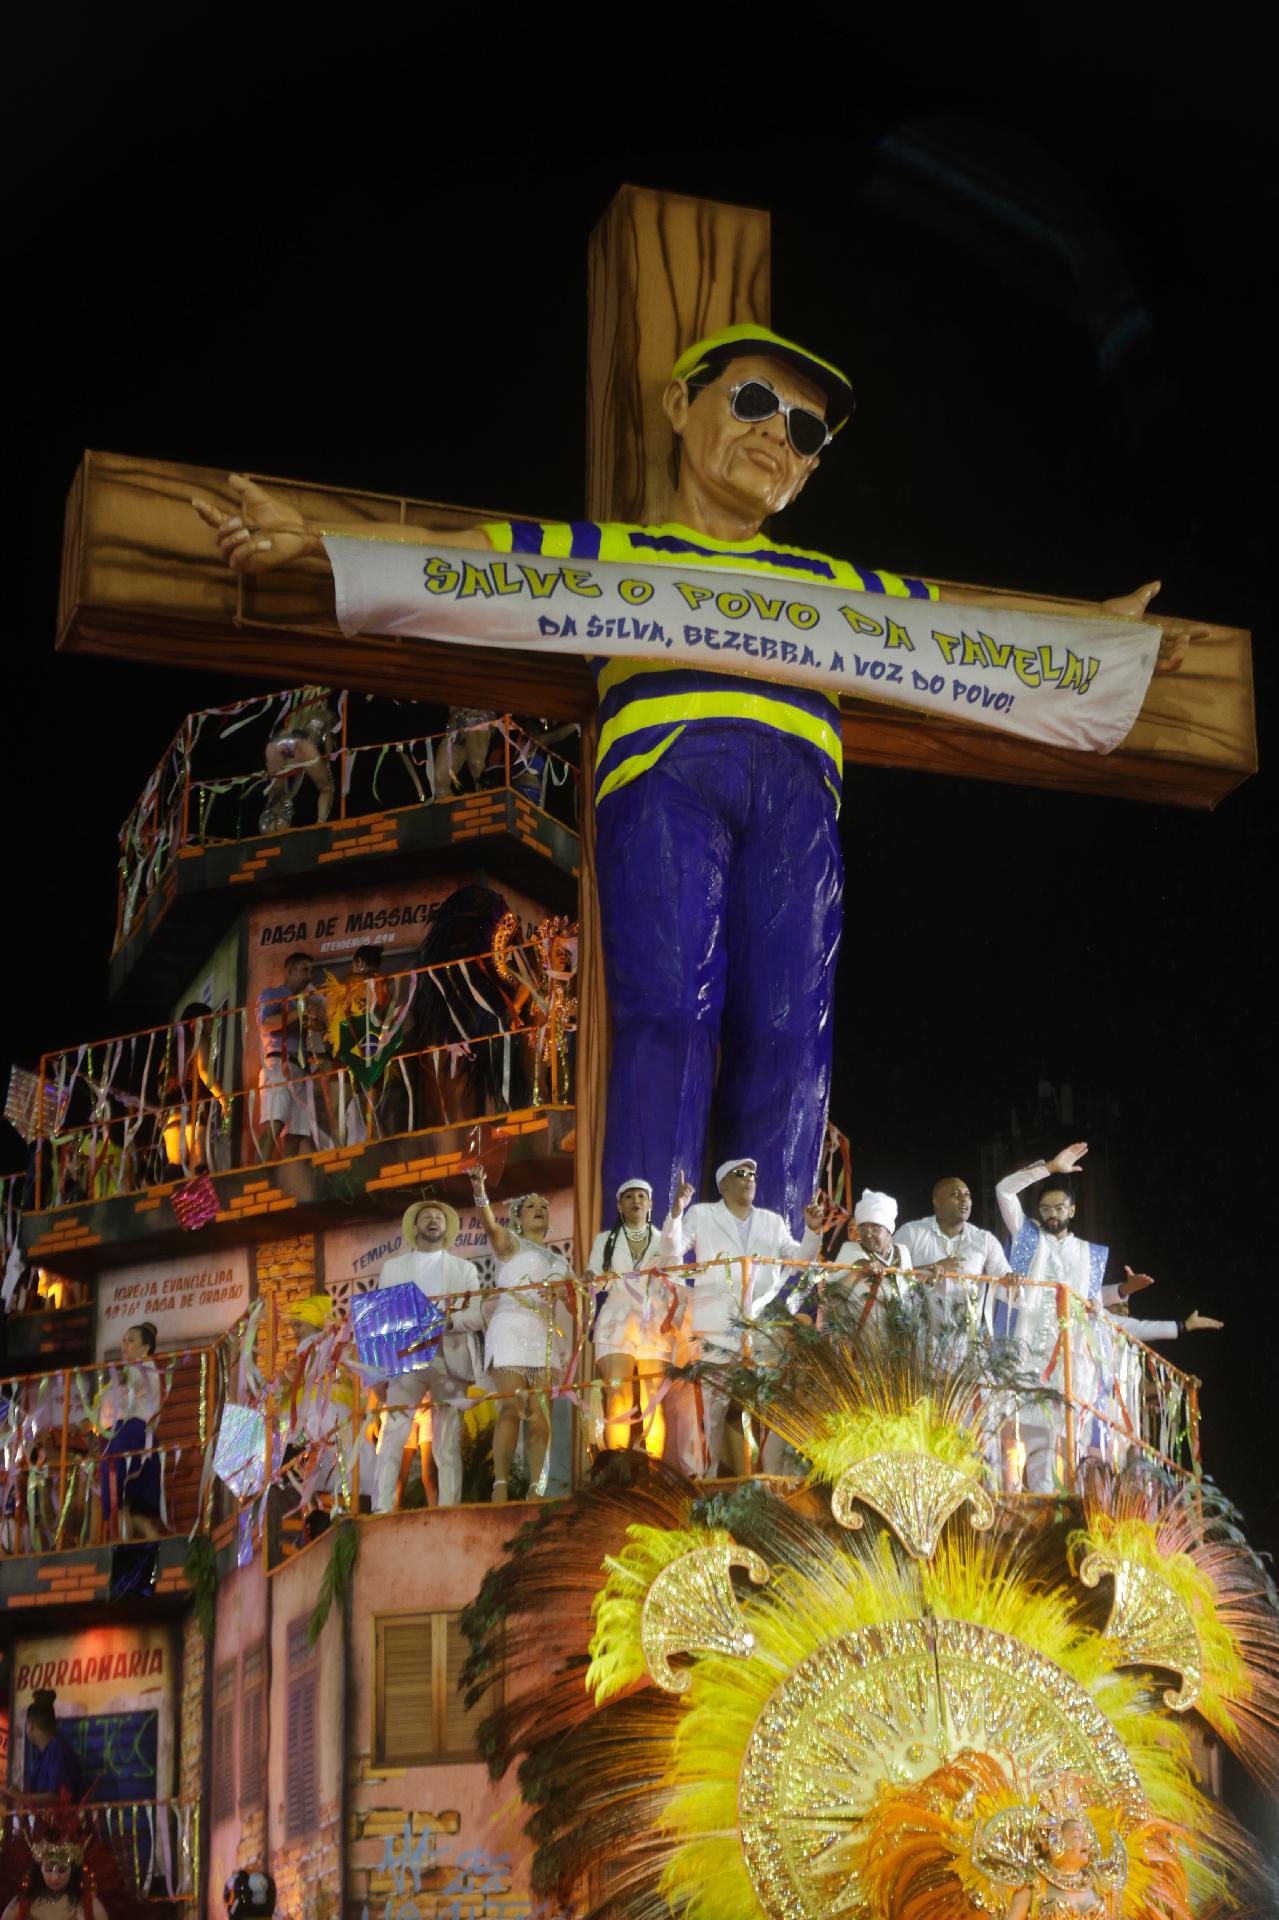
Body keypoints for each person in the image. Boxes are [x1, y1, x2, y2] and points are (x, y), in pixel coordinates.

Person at [195, 328, 1171, 1232]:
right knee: (668, 1011)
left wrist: (1097, 639)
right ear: (677, 403)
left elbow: (972, 634)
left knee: (791, 1031)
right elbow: (457, 567)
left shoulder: (841, 592)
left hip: (799, 798)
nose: (777, 437)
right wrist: (315, 544)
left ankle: (769, 1251)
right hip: (664, 781)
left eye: (804, 432)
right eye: (753, 402)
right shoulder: (609, 559)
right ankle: (645, 1240)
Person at [995, 1143, 1222, 1488]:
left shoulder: (1090, 1254)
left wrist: (1132, 1296)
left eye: (1059, 1207)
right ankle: (1034, 1509)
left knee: (1071, 1449)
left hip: (1076, 1363)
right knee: (1033, 1444)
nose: (1052, 1214)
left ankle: (1070, 1512)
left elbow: (1094, 1305)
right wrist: (1050, 1168)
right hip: (1033, 1356)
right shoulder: (1029, 1238)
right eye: (1046, 1208)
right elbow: (1003, 1190)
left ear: (1073, 1209)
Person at [659, 1158, 824, 1476]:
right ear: (723, 1185)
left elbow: (799, 1259)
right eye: (741, 1174)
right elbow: (672, 1250)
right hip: (716, 1328)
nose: (749, 1179)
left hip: (761, 1328)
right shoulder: (702, 1215)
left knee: (769, 1405)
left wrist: (813, 1230)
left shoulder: (771, 1221)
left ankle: (767, 1479)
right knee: (713, 1412)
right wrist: (677, 1212)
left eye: (752, 1175)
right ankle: (708, 1481)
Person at [372, 1198, 487, 1511]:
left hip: (448, 1356)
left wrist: (448, 1322)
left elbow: (477, 1316)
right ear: (415, 1227)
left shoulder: (465, 1269)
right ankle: (381, 1508)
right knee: (393, 1432)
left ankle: (448, 1508)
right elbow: (381, 1319)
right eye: (426, 1217)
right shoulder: (393, 1268)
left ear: (447, 1228)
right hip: (406, 1358)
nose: (433, 1220)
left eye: (439, 1216)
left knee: (447, 1442)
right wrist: (378, 1373)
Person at [469, 1170, 573, 1501]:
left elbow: (574, 1304)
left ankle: (536, 1488)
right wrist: (480, 1191)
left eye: (543, 1206)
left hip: (543, 1334)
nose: (539, 1209)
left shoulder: (560, 1261)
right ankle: (500, 1486)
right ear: (517, 1218)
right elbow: (490, 1226)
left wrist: (569, 1291)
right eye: (531, 1206)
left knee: (541, 1414)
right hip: (510, 1329)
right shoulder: (511, 1244)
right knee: (512, 1409)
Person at [585, 1178, 685, 1456]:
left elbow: (676, 1274)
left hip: (655, 1324)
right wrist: (592, 1277)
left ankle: (653, 1469)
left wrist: (677, 1210)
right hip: (616, 1322)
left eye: (642, 1196)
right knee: (618, 1394)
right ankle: (618, 1467)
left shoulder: (664, 1240)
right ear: (620, 1205)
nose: (636, 1201)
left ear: (650, 1203)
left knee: (653, 1399)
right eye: (629, 1196)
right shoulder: (605, 1240)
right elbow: (596, 1280)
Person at [897, 1176, 1011, 1324]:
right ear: (937, 1202)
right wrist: (928, 1270)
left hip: (966, 1335)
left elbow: (1004, 1281)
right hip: (919, 1334)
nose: (964, 1199)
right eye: (955, 1194)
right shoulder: (911, 1233)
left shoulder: (985, 1240)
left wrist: (1011, 1282)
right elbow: (888, 1276)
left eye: (967, 1194)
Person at [255, 951, 332, 1156]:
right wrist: (300, 1010)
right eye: (305, 970)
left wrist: (319, 1023)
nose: (309, 976)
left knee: (297, 1133)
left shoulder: (305, 1000)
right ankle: (259, 1172)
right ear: (289, 970)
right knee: (274, 1125)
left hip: (301, 1069)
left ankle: (286, 1173)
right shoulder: (271, 995)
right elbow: (266, 1024)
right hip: (278, 1065)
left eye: (311, 971)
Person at [97, 1321, 163, 1540]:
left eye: (131, 1341)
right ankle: (152, 1548)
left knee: (121, 1504)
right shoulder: (151, 1369)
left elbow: (130, 1380)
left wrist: (122, 1376)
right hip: (144, 1439)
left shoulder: (137, 1368)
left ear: (145, 1347)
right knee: (137, 1512)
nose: (124, 1345)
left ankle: (125, 1548)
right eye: (123, 1341)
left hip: (127, 1436)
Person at [827, 1188, 915, 1322]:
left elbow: (909, 1292)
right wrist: (855, 1272)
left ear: (889, 1230)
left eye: (875, 1228)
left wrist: (927, 1275)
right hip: (860, 1332)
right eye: (862, 1228)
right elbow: (831, 1301)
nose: (868, 1234)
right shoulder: (851, 1250)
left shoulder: (902, 1252)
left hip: (899, 1332)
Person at [12, 1701, 84, 1803]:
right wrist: (16, 1795)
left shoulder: (57, 1750)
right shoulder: (48, 1753)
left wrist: (20, 1797)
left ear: (30, 1726)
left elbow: (57, 1796)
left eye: (25, 1724)